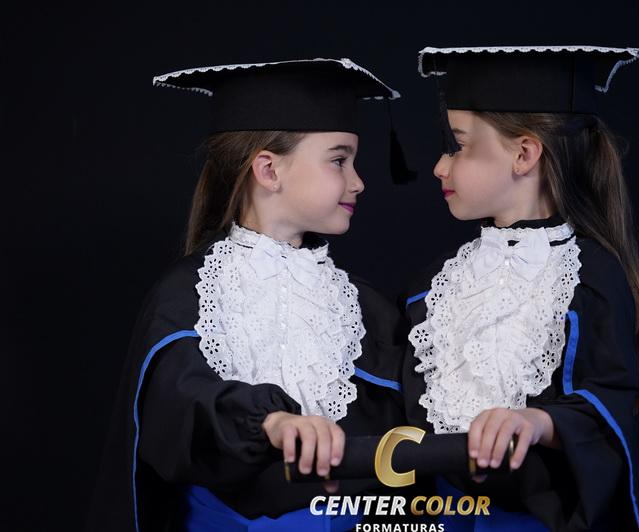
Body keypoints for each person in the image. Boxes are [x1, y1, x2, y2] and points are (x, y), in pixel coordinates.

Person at [85, 57, 408, 532]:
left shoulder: (363, 309)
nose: (358, 181)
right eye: (340, 160)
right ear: (269, 170)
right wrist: (270, 422)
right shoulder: (191, 294)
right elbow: (179, 406)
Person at [402, 45, 639, 531]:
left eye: (459, 145)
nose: (440, 165)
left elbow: (607, 402)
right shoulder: (435, 288)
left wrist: (539, 422)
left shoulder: (587, 278)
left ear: (524, 154)